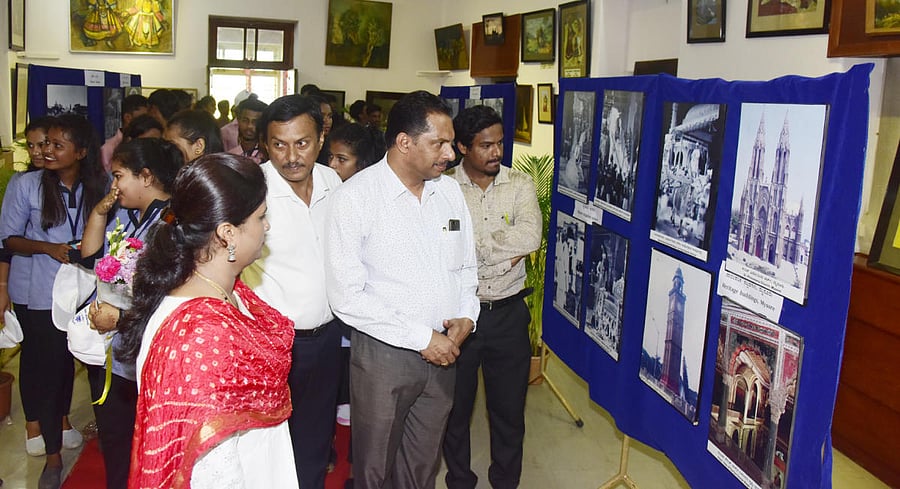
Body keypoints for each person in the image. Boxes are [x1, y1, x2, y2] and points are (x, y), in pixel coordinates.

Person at [324, 90, 479, 488]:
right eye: (439, 144)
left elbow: (465, 267)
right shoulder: (355, 198)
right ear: (404, 142)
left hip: (444, 352)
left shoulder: (449, 192)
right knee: (374, 469)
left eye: (449, 142)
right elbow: (346, 297)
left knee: (422, 469)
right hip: (384, 357)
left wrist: (467, 316)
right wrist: (420, 337)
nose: (450, 154)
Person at [116, 154, 297, 489]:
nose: (267, 226)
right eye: (261, 217)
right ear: (228, 233)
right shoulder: (198, 335)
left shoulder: (229, 291)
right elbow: (213, 469)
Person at [241, 94, 343, 489]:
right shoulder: (251, 190)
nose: (291, 156)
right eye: (279, 144)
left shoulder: (333, 182)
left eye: (302, 143)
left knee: (316, 438)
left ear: (321, 139)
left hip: (328, 337)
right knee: (267, 442)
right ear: (265, 144)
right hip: (271, 341)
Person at [0, 114, 107, 489]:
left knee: (82, 365)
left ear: (80, 152)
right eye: (43, 144)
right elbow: (8, 239)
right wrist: (50, 248)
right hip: (42, 290)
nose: (45, 150)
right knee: (47, 367)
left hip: (88, 291)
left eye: (55, 145)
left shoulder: (101, 185)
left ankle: (77, 426)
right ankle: (52, 452)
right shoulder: (26, 184)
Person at [442, 105, 542, 489]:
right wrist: (500, 252)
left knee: (509, 412)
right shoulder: (444, 189)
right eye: (486, 145)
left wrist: (471, 252)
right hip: (458, 318)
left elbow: (530, 236)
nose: (496, 152)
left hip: (508, 315)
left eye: (500, 143)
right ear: (463, 147)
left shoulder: (520, 185)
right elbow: (439, 248)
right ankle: (460, 480)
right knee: (456, 411)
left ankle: (505, 482)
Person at [77, 138, 183, 489]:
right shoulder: (137, 217)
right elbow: (91, 259)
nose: (115, 185)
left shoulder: (169, 224)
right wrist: (99, 212)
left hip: (142, 353)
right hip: (122, 351)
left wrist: (119, 319)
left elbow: (166, 300)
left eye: (120, 176)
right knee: (118, 441)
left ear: (146, 176)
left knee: (137, 443)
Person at [100, 94, 149, 172]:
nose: (148, 121)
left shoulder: (149, 142)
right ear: (127, 117)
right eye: (143, 117)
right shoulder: (108, 149)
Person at [226, 97, 268, 163]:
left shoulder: (268, 157)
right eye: (245, 120)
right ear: (238, 120)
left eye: (255, 122)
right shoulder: (230, 157)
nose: (249, 126)